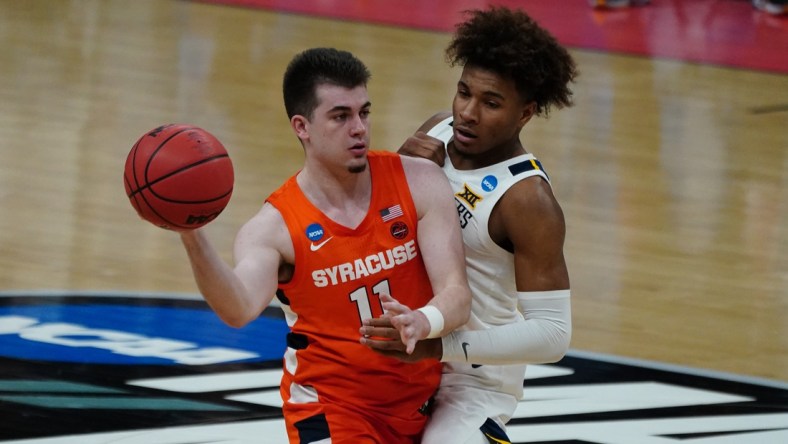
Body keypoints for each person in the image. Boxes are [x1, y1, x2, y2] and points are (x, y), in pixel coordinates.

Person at [178, 47, 472, 443]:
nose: (359, 129)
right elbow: (238, 308)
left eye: (363, 112)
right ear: (302, 126)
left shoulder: (419, 181)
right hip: (331, 407)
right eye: (340, 116)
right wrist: (191, 234)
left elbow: (456, 294)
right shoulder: (274, 228)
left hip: (423, 404)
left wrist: (424, 320)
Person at [360, 7, 575, 443]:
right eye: (464, 92)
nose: (468, 113)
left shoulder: (527, 199)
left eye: (491, 103)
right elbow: (374, 236)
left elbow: (553, 336)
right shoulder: (436, 132)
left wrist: (440, 346)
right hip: (407, 347)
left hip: (472, 381)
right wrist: (394, 179)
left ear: (526, 113)